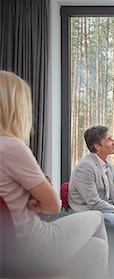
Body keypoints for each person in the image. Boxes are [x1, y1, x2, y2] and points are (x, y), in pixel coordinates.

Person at [0, 70, 108, 277]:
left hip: (6, 247)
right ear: (14, 108)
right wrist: (35, 201)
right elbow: (53, 205)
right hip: (30, 245)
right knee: (97, 218)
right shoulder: (12, 147)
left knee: (97, 249)